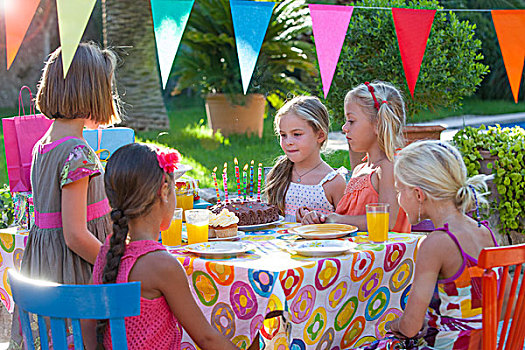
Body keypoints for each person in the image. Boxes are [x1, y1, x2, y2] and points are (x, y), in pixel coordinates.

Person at [10, 42, 120, 348]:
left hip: (47, 264)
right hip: (76, 272)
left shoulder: (43, 145)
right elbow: (75, 235)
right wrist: (115, 264)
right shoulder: (78, 152)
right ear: (93, 92)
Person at [87, 143, 238, 350]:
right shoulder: (161, 265)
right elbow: (206, 339)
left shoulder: (106, 253)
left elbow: (87, 324)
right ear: (165, 191)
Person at [359, 140, 497, 349]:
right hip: (490, 341)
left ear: (418, 194)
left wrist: (393, 324)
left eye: (399, 191)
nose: (398, 199)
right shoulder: (484, 231)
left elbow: (410, 327)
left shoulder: (435, 243)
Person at [299, 81, 410, 233]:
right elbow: (347, 218)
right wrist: (321, 218)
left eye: (351, 121)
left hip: (385, 255)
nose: (344, 128)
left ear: (378, 124)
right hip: (359, 254)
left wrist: (337, 220)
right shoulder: (360, 169)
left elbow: (387, 221)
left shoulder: (388, 167)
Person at [265, 96, 346, 222]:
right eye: (283, 135)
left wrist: (318, 222)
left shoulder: (333, 183)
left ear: (320, 135)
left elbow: (346, 227)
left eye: (296, 134)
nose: (288, 142)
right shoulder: (278, 175)